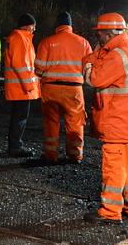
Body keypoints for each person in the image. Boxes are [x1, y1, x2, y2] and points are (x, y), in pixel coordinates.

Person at [83, 12, 128, 224]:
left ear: (110, 32)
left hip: (118, 124)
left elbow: (94, 79)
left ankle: (110, 211)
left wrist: (89, 60)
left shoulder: (117, 55)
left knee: (114, 169)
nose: (98, 38)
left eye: (100, 34)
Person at [35, 12, 92, 163]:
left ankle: (50, 155)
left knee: (51, 122)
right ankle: (75, 154)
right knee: (75, 122)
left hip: (50, 88)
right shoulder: (83, 42)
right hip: (74, 90)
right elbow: (89, 68)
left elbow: (39, 69)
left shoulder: (46, 42)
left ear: (57, 25)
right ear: (70, 25)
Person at [3, 14, 39, 157]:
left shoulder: (20, 37)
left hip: (19, 87)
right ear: (27, 25)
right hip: (21, 88)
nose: (34, 29)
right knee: (20, 118)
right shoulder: (19, 38)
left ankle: (15, 145)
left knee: (18, 117)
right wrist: (29, 86)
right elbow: (21, 65)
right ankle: (15, 147)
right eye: (33, 25)